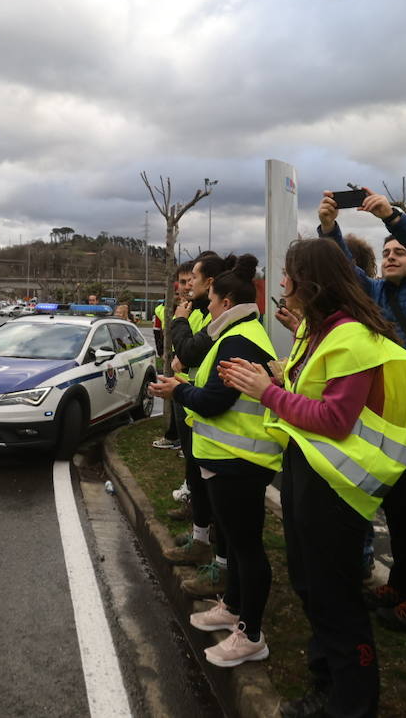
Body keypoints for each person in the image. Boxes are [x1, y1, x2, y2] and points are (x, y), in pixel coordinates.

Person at [220, 238, 406, 718]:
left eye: (288, 274)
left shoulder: (351, 337)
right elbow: (310, 393)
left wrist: (266, 392)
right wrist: (274, 380)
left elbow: (336, 419)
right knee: (310, 587)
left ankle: (352, 701)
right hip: (309, 473)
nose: (281, 283)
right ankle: (327, 685)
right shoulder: (316, 331)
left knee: (334, 597)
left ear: (309, 282)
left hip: (334, 489)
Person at [318, 188, 406, 631]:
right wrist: (329, 230)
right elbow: (345, 271)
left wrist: (392, 218)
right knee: (396, 503)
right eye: (387, 252)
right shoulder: (374, 291)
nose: (392, 256)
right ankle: (403, 583)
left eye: (400, 252)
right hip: (390, 411)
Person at [148, 254, 281, 668]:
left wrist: (177, 390)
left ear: (224, 302)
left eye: (210, 299)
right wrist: (184, 386)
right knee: (237, 543)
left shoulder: (238, 338)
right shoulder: (238, 333)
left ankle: (251, 634)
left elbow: (215, 401)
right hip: (229, 458)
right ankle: (233, 607)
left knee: (246, 547)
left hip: (239, 460)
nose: (206, 305)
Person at [164, 252, 232, 598]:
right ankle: (201, 538)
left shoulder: (220, 319)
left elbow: (190, 351)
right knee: (195, 472)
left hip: (208, 411)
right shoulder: (204, 311)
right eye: (185, 278)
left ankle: (216, 557)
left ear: (212, 283)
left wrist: (178, 323)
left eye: (194, 277)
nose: (188, 284)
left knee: (214, 489)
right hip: (192, 401)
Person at [153, 263, 195, 451]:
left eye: (190, 281)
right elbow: (160, 330)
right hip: (180, 374)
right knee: (182, 423)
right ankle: (177, 441)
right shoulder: (172, 310)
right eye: (182, 283)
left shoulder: (199, 312)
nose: (186, 287)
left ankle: (181, 445)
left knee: (189, 427)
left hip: (192, 378)